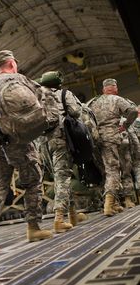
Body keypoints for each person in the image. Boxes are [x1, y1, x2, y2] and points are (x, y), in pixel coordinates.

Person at [0, 50, 52, 254]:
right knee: (32, 181)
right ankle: (33, 228)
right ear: (12, 63)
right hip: (17, 141)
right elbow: (44, 100)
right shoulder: (19, 79)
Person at [39, 71, 87, 231]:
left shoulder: (37, 95)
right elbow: (76, 112)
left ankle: (73, 215)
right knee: (63, 178)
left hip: (43, 143)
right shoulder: (64, 93)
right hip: (60, 139)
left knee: (60, 177)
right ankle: (59, 218)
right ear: (58, 83)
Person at [88, 78, 138, 216]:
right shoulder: (117, 99)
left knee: (106, 171)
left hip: (97, 140)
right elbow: (133, 111)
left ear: (104, 89)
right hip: (113, 137)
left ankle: (114, 203)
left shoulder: (93, 102)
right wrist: (125, 126)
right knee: (115, 170)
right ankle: (109, 205)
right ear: (114, 87)